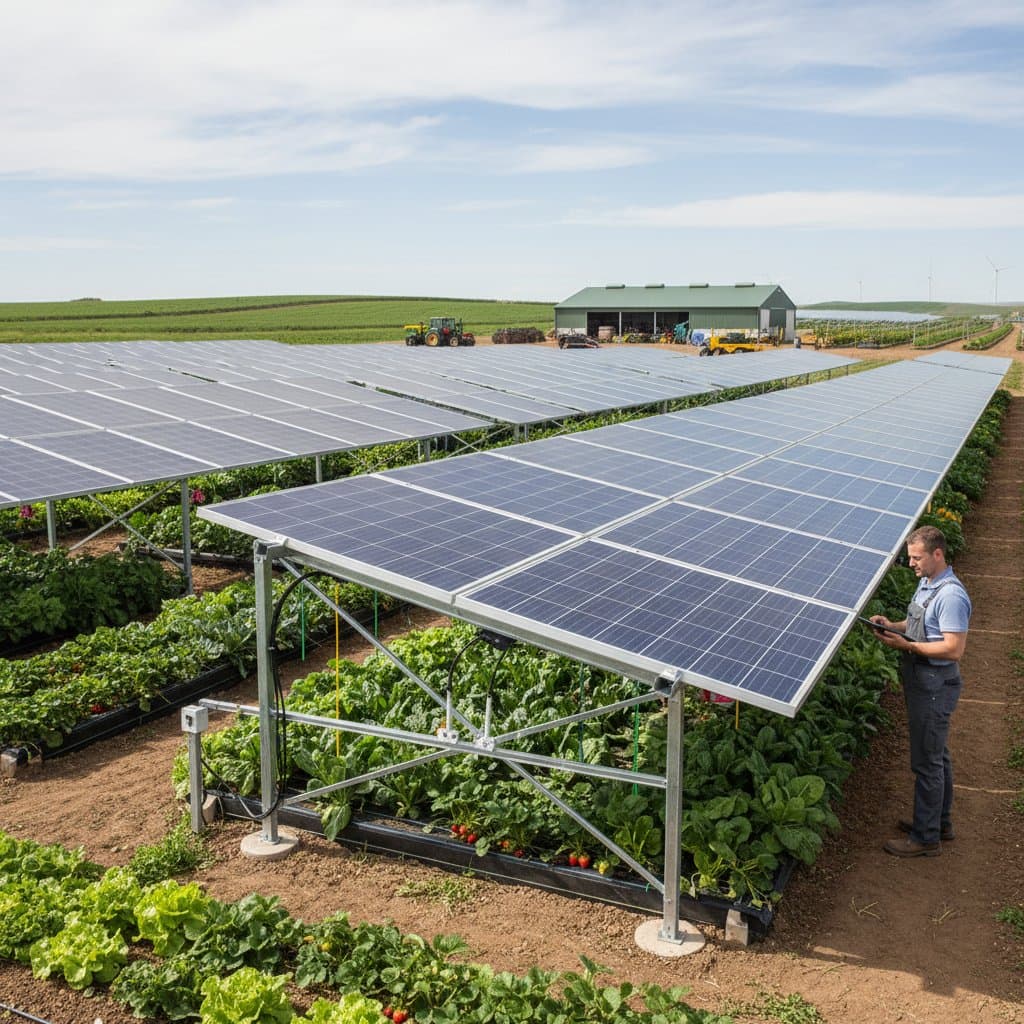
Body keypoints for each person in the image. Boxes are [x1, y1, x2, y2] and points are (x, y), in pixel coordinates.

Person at [869, 525, 971, 857]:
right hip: (924, 682)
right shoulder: (928, 583)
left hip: (934, 686)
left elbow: (954, 649)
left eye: (916, 557)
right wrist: (893, 627)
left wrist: (908, 647)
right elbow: (920, 627)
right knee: (937, 755)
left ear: (937, 554)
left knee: (926, 762)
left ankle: (926, 838)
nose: (911, 563)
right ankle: (939, 822)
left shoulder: (951, 596)